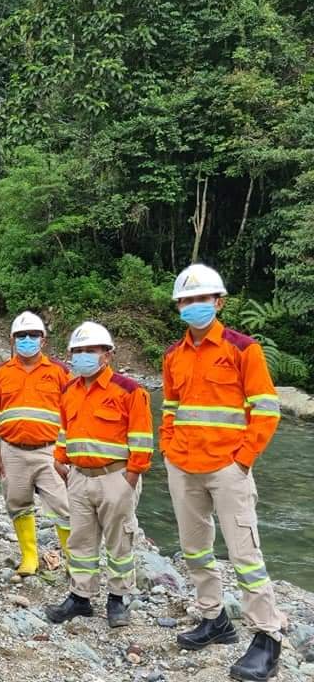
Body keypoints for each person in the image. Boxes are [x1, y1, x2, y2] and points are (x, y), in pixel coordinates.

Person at [162, 264, 285, 682]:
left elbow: (266, 409)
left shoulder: (243, 349)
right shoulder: (173, 355)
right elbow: (170, 408)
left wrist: (244, 459)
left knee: (245, 554)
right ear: (178, 306)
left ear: (219, 302)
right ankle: (214, 619)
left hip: (228, 468)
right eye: (186, 300)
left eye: (202, 299)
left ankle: (267, 636)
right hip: (183, 465)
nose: (193, 306)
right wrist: (168, 448)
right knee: (195, 549)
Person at [45, 321, 153, 628]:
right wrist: (59, 459)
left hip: (116, 476)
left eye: (90, 350)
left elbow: (142, 439)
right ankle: (80, 597)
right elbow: (65, 430)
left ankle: (118, 599)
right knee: (80, 540)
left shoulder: (129, 390)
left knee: (120, 542)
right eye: (77, 351)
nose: (83, 356)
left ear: (107, 354)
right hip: (79, 476)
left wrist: (130, 479)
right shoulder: (69, 390)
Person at [0, 311, 70, 575]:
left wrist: (68, 451)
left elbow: (73, 411)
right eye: (21, 335)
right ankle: (29, 558)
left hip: (50, 451)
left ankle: (74, 560)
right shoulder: (0, 373)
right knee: (17, 502)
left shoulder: (59, 372)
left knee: (63, 506)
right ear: (12, 340)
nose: (27, 339)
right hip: (12, 451)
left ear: (43, 340)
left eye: (33, 335)